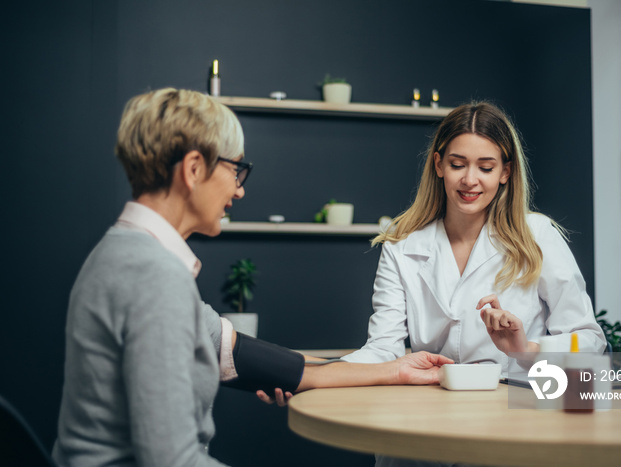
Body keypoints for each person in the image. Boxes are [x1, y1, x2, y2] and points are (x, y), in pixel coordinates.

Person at [52, 88, 453, 467]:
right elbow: (171, 460)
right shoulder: (154, 277)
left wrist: (394, 370)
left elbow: (235, 352)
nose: (240, 190)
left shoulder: (125, 251)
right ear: (193, 168)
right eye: (236, 169)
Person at [341, 100, 605, 467]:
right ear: (438, 165)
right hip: (422, 427)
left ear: (506, 172)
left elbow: (589, 341)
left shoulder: (537, 236)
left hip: (514, 425)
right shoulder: (401, 245)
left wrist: (525, 347)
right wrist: (316, 376)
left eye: (486, 167)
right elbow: (382, 349)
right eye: (457, 164)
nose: (470, 180)